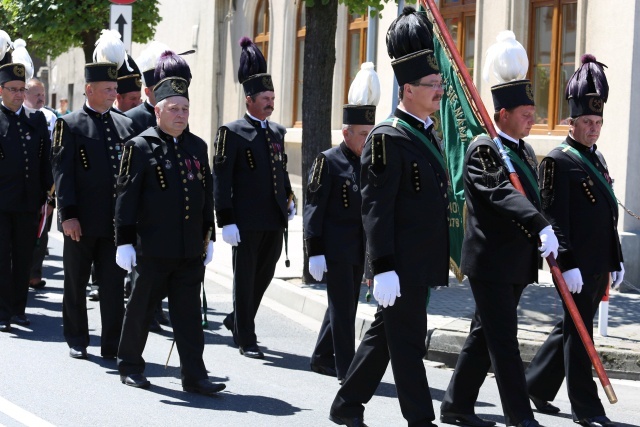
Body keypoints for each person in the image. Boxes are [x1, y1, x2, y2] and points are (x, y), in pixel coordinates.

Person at [329, 8, 449, 427]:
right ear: (407, 88)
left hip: (418, 262)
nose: (440, 91)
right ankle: (421, 420)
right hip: (399, 264)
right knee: (408, 343)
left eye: (440, 84)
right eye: (432, 85)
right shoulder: (387, 138)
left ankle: (347, 404)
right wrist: (382, 268)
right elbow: (375, 207)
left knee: (386, 336)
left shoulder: (426, 130)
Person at [440, 31, 559, 427]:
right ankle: (519, 417)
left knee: (483, 335)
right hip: (490, 262)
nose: (533, 119)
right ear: (503, 114)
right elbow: (499, 193)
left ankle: (456, 405)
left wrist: (548, 232)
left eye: (533, 112)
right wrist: (539, 224)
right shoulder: (484, 148)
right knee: (504, 341)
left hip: (516, 263)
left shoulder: (523, 151)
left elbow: (533, 197)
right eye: (526, 114)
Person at [525, 55, 623, 427]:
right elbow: (554, 218)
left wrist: (616, 259)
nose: (594, 128)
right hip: (577, 266)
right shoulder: (557, 161)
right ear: (572, 121)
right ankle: (588, 408)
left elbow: (606, 215)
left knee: (570, 326)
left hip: (598, 263)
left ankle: (535, 385)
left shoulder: (595, 158)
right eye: (587, 122)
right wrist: (566, 264)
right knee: (581, 337)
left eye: (598, 122)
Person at [114, 76, 224, 394]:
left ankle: (194, 375)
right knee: (140, 310)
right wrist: (123, 241)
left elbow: (205, 196)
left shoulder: (196, 147)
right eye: (174, 108)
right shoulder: (139, 146)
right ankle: (131, 366)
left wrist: (209, 237)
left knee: (188, 316)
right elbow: (126, 198)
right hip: (151, 250)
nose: (180, 114)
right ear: (158, 111)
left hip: (189, 249)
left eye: (185, 108)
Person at [213, 37, 295, 360]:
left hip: (273, 219)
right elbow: (221, 178)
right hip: (245, 222)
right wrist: (226, 219)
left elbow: (282, 170)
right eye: (265, 98)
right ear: (250, 100)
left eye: (273, 97)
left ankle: (238, 317)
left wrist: (288, 199)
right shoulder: (231, 133)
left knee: (265, 274)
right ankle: (246, 335)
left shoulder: (276, 132)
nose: (271, 103)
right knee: (244, 278)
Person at [51, 52, 135, 358]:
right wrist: (68, 215)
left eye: (115, 89)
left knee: (113, 286)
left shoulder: (125, 125)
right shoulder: (69, 124)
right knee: (76, 281)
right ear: (89, 90)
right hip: (81, 222)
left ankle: (112, 345)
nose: (115, 93)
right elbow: (62, 173)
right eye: (108, 89)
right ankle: (77, 338)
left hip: (114, 223)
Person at [305, 62, 379, 383]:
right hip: (333, 250)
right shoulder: (328, 161)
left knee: (343, 304)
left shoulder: (369, 163)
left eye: (370, 134)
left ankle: (322, 356)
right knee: (344, 311)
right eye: (363, 134)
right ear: (346, 132)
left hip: (356, 251)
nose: (367, 140)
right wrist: (315, 250)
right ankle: (346, 370)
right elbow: (313, 208)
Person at [0, 44, 52, 332]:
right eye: (13, 88)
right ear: (1, 90)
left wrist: (46, 193)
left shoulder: (36, 121)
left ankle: (18, 309)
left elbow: (45, 160)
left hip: (28, 203)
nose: (19, 94)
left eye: (22, 89)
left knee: (23, 258)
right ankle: (2, 311)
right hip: (1, 203)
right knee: (1, 259)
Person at [24, 78, 57, 290]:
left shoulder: (50, 117)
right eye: (36, 94)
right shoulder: (19, 116)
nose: (41, 98)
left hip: (45, 185)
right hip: (22, 186)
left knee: (41, 232)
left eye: (42, 94)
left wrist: (52, 194)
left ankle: (34, 274)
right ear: (24, 94)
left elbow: (55, 155)